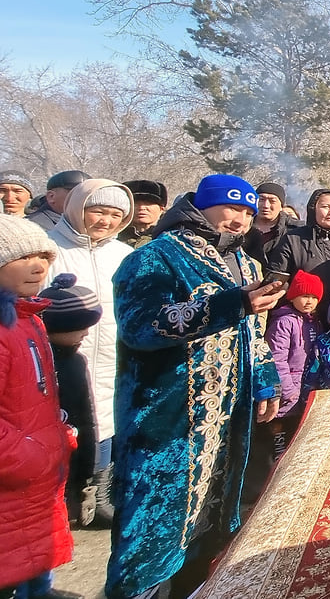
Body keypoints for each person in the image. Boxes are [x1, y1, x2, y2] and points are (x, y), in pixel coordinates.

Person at [105, 174, 285, 599]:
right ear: (202, 205)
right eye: (232, 208)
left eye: (247, 212)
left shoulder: (245, 263)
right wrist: (230, 303)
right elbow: (140, 327)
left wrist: (265, 381)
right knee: (154, 524)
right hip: (167, 420)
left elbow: (252, 333)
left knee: (213, 516)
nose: (240, 219)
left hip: (224, 416)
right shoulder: (156, 257)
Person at [46, 178, 134, 528]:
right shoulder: (48, 248)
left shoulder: (124, 255)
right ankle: (63, 498)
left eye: (115, 214)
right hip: (61, 356)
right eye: (98, 211)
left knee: (107, 422)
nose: (106, 220)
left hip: (112, 351)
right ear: (77, 207)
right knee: (64, 426)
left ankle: (99, 495)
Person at [0, 216, 75, 599]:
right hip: (14, 476)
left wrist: (56, 433)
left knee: (31, 560)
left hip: (34, 478)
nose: (39, 266)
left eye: (44, 256)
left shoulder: (28, 319)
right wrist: (31, 454)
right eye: (23, 257)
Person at [38, 274, 103, 527]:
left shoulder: (76, 363)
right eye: (79, 326)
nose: (86, 333)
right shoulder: (37, 361)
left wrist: (87, 472)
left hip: (71, 455)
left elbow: (87, 417)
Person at [267, 188, 330, 322]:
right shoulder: (292, 239)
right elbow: (277, 280)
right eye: (325, 207)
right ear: (313, 208)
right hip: (307, 320)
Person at [265, 269, 323, 458]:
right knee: (280, 439)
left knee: (298, 438)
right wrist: (287, 389)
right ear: (293, 296)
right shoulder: (283, 323)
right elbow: (277, 359)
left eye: (314, 297)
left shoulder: (314, 322)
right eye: (304, 296)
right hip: (287, 392)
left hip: (306, 388)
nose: (309, 301)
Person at [244, 182, 299, 267]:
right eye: (261, 199)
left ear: (281, 206)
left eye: (272, 201)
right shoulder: (241, 227)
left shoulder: (295, 231)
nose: (266, 205)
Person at [117, 180, 168, 249]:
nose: (141, 208)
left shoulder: (170, 237)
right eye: (135, 203)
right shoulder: (112, 236)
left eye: (148, 203)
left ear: (161, 209)